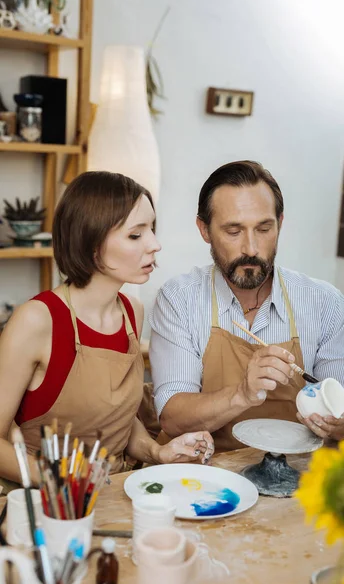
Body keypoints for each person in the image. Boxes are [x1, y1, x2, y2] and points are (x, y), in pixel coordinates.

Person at [0, 171, 214, 493]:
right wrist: (61, 481)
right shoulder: (37, 320)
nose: (155, 245)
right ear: (92, 243)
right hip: (47, 504)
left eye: (151, 230)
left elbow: (119, 421)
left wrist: (156, 451)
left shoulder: (132, 313)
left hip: (118, 490)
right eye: (135, 235)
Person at [149, 160, 344, 451]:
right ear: (204, 230)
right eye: (233, 231)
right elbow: (172, 419)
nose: (251, 248)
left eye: (264, 228)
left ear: (280, 223)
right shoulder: (179, 300)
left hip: (297, 476)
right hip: (207, 475)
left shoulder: (324, 303)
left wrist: (340, 421)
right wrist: (242, 393)